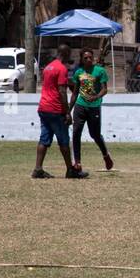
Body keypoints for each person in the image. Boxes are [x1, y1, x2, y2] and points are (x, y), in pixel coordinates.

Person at [33, 45, 85, 179]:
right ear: (66, 53)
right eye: (70, 54)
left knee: (44, 139)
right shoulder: (61, 69)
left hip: (43, 107)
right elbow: (62, 91)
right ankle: (70, 170)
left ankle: (38, 169)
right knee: (63, 140)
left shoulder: (48, 67)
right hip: (55, 109)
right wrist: (67, 112)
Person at [69, 48, 113, 172]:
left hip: (94, 107)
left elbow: (105, 89)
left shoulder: (100, 71)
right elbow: (75, 92)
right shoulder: (78, 72)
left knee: (95, 135)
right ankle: (77, 162)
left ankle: (106, 155)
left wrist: (96, 97)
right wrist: (68, 110)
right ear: (82, 59)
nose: (88, 59)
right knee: (76, 132)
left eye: (90, 57)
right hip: (80, 105)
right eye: (86, 58)